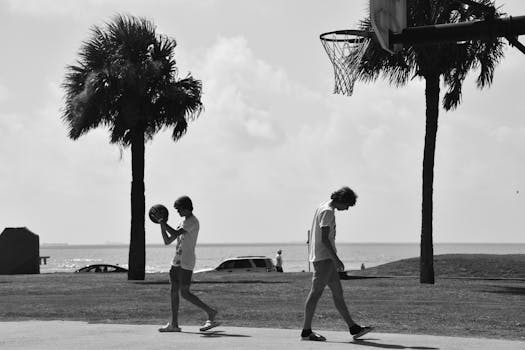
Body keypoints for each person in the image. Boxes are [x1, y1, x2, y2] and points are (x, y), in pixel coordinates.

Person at [301, 186, 373, 341]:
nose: (347, 209)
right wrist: (336, 259)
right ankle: (306, 331)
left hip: (324, 257)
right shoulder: (327, 211)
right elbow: (325, 239)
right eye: (347, 205)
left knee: (338, 293)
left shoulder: (323, 206)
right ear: (341, 200)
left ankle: (353, 328)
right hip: (324, 258)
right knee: (316, 293)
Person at [154, 195, 220, 333]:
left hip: (186, 262)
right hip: (176, 262)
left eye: (179, 209)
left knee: (184, 293)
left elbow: (175, 232)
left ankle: (211, 312)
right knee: (173, 292)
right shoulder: (181, 222)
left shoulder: (192, 222)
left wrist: (163, 222)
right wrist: (161, 225)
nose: (177, 212)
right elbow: (167, 240)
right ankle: (174, 324)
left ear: (186, 208)